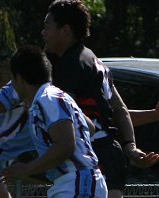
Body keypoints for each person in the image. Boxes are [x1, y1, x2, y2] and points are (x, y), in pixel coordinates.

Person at [41, 1, 159, 197]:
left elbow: (67, 118)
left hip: (92, 155)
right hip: (110, 154)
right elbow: (118, 110)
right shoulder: (96, 62)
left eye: (47, 26)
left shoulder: (70, 65)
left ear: (65, 30)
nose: (43, 32)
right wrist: (130, 146)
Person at [0, 45, 107, 197]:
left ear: (19, 78)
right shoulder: (54, 96)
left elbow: (65, 145)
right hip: (77, 182)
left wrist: (27, 169)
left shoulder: (47, 99)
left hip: (77, 183)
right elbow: (90, 127)